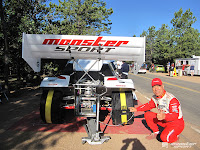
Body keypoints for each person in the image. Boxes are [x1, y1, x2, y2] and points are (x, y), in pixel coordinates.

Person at [129, 78, 184, 143]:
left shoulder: (171, 99)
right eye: (154, 87)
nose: (156, 89)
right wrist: (136, 109)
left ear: (162, 86)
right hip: (164, 120)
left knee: (164, 138)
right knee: (148, 114)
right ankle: (156, 132)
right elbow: (148, 105)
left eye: (158, 86)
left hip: (176, 123)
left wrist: (164, 116)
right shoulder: (155, 98)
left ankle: (175, 136)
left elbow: (175, 115)